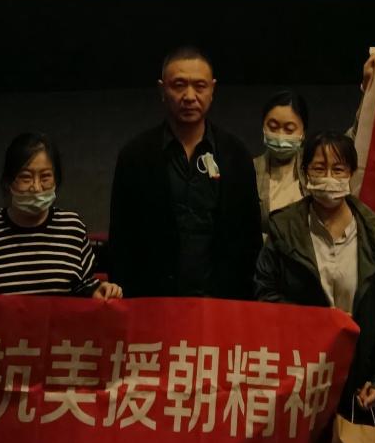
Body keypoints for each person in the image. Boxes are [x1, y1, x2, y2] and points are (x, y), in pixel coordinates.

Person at [255, 132, 375, 417]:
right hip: (300, 371)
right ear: (305, 172)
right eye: (319, 168)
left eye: (338, 169)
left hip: (358, 374)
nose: (329, 178)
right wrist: (317, 322)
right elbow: (265, 294)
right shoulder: (283, 229)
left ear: (351, 172)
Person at [108, 46, 262, 299]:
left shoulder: (236, 155)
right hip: (153, 302)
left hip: (221, 303)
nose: (190, 96)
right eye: (179, 85)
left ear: (212, 89)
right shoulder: (135, 156)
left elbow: (250, 239)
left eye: (200, 86)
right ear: (162, 89)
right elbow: (121, 241)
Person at [0, 132, 121, 300]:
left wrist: (98, 291)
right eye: (26, 177)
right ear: (9, 180)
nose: (37, 188)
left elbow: (84, 286)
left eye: (45, 177)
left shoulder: (72, 228)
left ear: (56, 179)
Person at [254, 90, 310, 236]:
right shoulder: (249, 170)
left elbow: (358, 139)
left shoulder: (316, 165)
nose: (280, 136)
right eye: (273, 127)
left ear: (303, 132)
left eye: (289, 129)